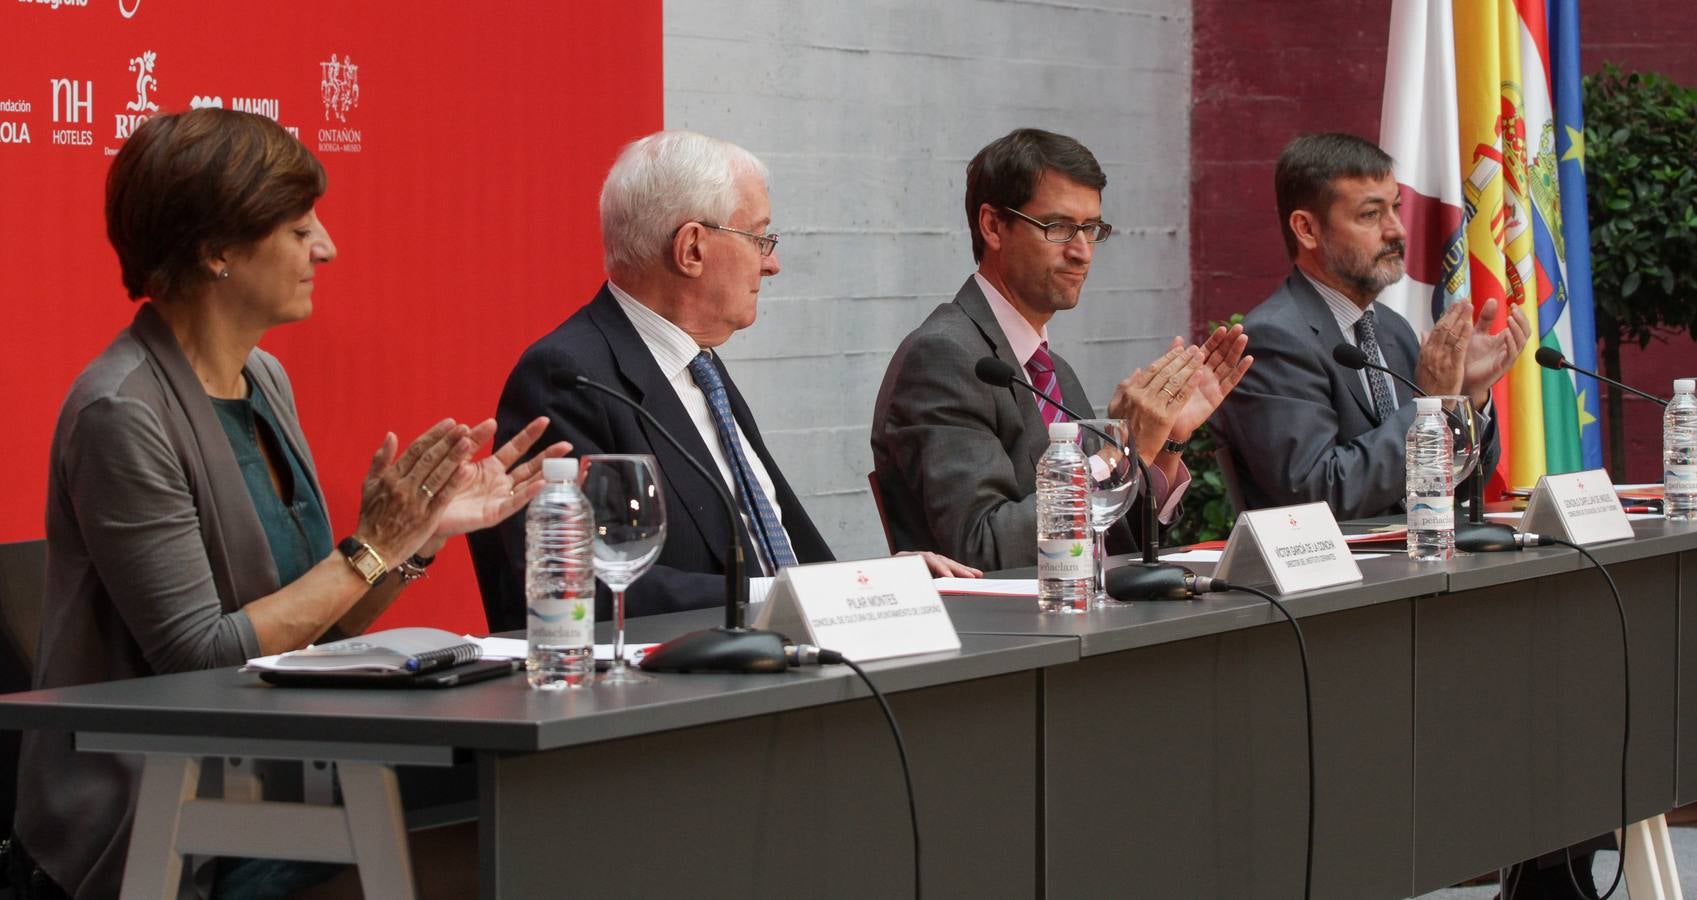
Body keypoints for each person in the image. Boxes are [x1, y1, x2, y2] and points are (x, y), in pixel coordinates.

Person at [9, 108, 565, 900]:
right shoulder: (122, 413)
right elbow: (202, 658)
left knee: (537, 826)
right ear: (215, 251)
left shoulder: (264, 379)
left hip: (284, 776)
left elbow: (319, 627)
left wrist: (418, 537)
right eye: (300, 229)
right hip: (164, 823)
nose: (327, 247)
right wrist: (370, 545)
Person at [470, 130, 977, 632]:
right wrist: (784, 593)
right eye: (759, 237)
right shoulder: (569, 377)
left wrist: (874, 585)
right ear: (692, 248)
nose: (772, 262)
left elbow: (785, 554)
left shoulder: (699, 365)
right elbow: (582, 586)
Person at [870, 127, 1252, 571]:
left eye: (1091, 229)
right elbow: (982, 546)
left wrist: (1166, 441)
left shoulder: (1051, 370)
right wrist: (1118, 455)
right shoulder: (947, 357)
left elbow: (1116, 544)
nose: (1083, 252)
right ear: (993, 225)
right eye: (1059, 227)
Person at [1212, 132, 1528, 520]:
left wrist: (1468, 396)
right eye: (1371, 214)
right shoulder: (1274, 340)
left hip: (1418, 560)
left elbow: (1463, 486)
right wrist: (1429, 410)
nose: (1397, 230)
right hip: (1333, 574)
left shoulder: (1393, 329)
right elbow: (1316, 492)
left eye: (1395, 208)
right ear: (1306, 229)